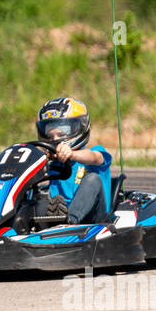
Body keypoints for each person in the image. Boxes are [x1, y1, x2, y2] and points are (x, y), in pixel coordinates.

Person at [35, 96, 113, 224]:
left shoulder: (94, 154)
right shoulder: (53, 164)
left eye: (61, 134)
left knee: (93, 179)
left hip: (95, 220)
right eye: (50, 136)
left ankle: (69, 221)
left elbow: (95, 158)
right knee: (33, 190)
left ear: (80, 128)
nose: (55, 139)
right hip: (55, 216)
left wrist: (71, 154)